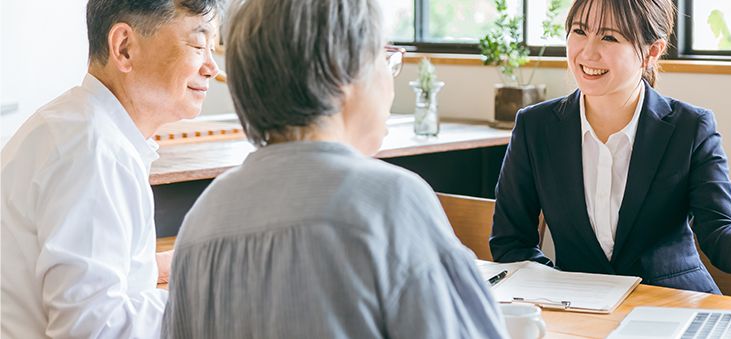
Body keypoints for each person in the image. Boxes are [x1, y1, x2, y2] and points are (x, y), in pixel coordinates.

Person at [160, 0, 507, 338]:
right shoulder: (390, 201)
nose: (390, 79)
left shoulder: (203, 219)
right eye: (384, 59)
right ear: (342, 70)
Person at [490, 0, 731, 293]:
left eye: (609, 38)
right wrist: (561, 287)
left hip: (672, 306)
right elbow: (511, 242)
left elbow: (718, 236)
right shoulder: (535, 127)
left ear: (652, 51)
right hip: (579, 312)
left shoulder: (691, 127)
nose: (587, 52)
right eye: (579, 31)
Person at [1, 0, 223, 337]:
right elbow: (92, 328)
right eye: (197, 44)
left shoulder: (77, 127)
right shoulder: (93, 152)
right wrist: (218, 303)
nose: (212, 67)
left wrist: (176, 265)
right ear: (124, 47)